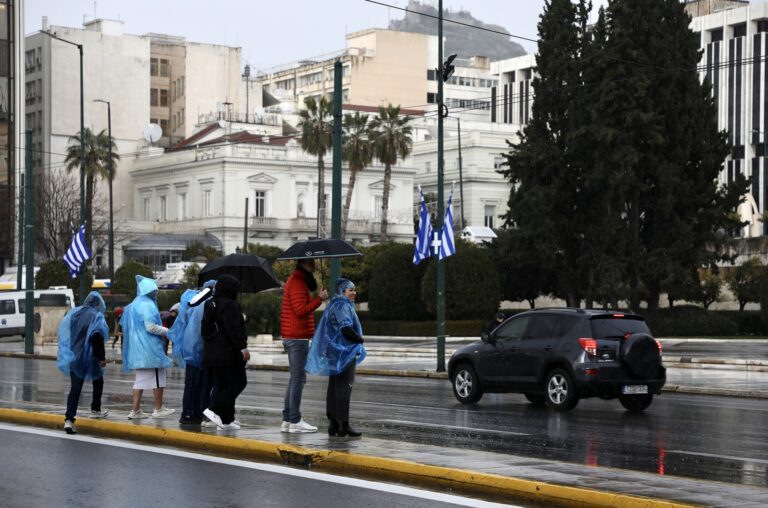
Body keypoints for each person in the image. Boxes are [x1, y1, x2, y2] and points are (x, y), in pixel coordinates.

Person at [306, 278, 366, 438]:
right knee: (344, 387)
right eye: (350, 290)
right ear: (342, 291)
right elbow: (345, 328)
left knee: (334, 387)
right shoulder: (342, 305)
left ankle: (333, 423)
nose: (354, 292)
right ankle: (343, 425)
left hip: (335, 351)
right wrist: (359, 339)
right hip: (344, 352)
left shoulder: (334, 304)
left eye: (354, 289)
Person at [279, 259, 329, 433]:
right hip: (297, 337)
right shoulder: (297, 283)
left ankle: (287, 419)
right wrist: (319, 300)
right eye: (311, 265)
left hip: (294, 336)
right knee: (298, 379)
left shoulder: (296, 280)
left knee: (295, 378)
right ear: (304, 266)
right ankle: (294, 420)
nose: (314, 267)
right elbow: (300, 310)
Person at [120, 275, 175, 419]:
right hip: (149, 348)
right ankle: (158, 408)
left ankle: (135, 410)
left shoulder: (134, 304)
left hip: (137, 349)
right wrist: (169, 332)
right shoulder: (147, 305)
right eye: (155, 291)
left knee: (140, 380)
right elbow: (151, 327)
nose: (156, 293)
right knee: (158, 377)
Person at [57, 291, 111, 435]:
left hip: (75, 355)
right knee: (98, 381)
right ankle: (95, 409)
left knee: (75, 388)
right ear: (98, 304)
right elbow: (97, 336)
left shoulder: (75, 314)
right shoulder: (97, 316)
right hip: (91, 356)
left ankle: (69, 419)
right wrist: (102, 358)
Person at [201, 274, 249, 431]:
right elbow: (233, 330)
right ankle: (213, 409)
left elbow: (204, 330)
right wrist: (243, 348)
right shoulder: (231, 305)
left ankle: (226, 420)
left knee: (222, 384)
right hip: (229, 353)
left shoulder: (210, 304)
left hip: (212, 353)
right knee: (238, 382)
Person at [168, 280, 216, 425]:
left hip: (189, 349)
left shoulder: (192, 301)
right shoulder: (207, 304)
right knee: (201, 383)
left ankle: (190, 413)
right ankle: (193, 413)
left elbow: (181, 325)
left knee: (193, 383)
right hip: (199, 349)